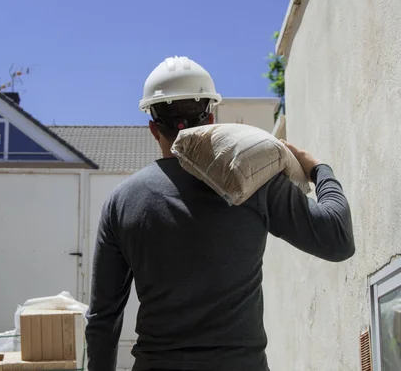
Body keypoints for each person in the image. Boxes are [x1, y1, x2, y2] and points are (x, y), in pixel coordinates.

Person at [85, 56, 355, 371]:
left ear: (152, 127)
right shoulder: (256, 181)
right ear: (211, 119)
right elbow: (338, 239)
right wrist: (319, 170)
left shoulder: (122, 201)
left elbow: (103, 318)